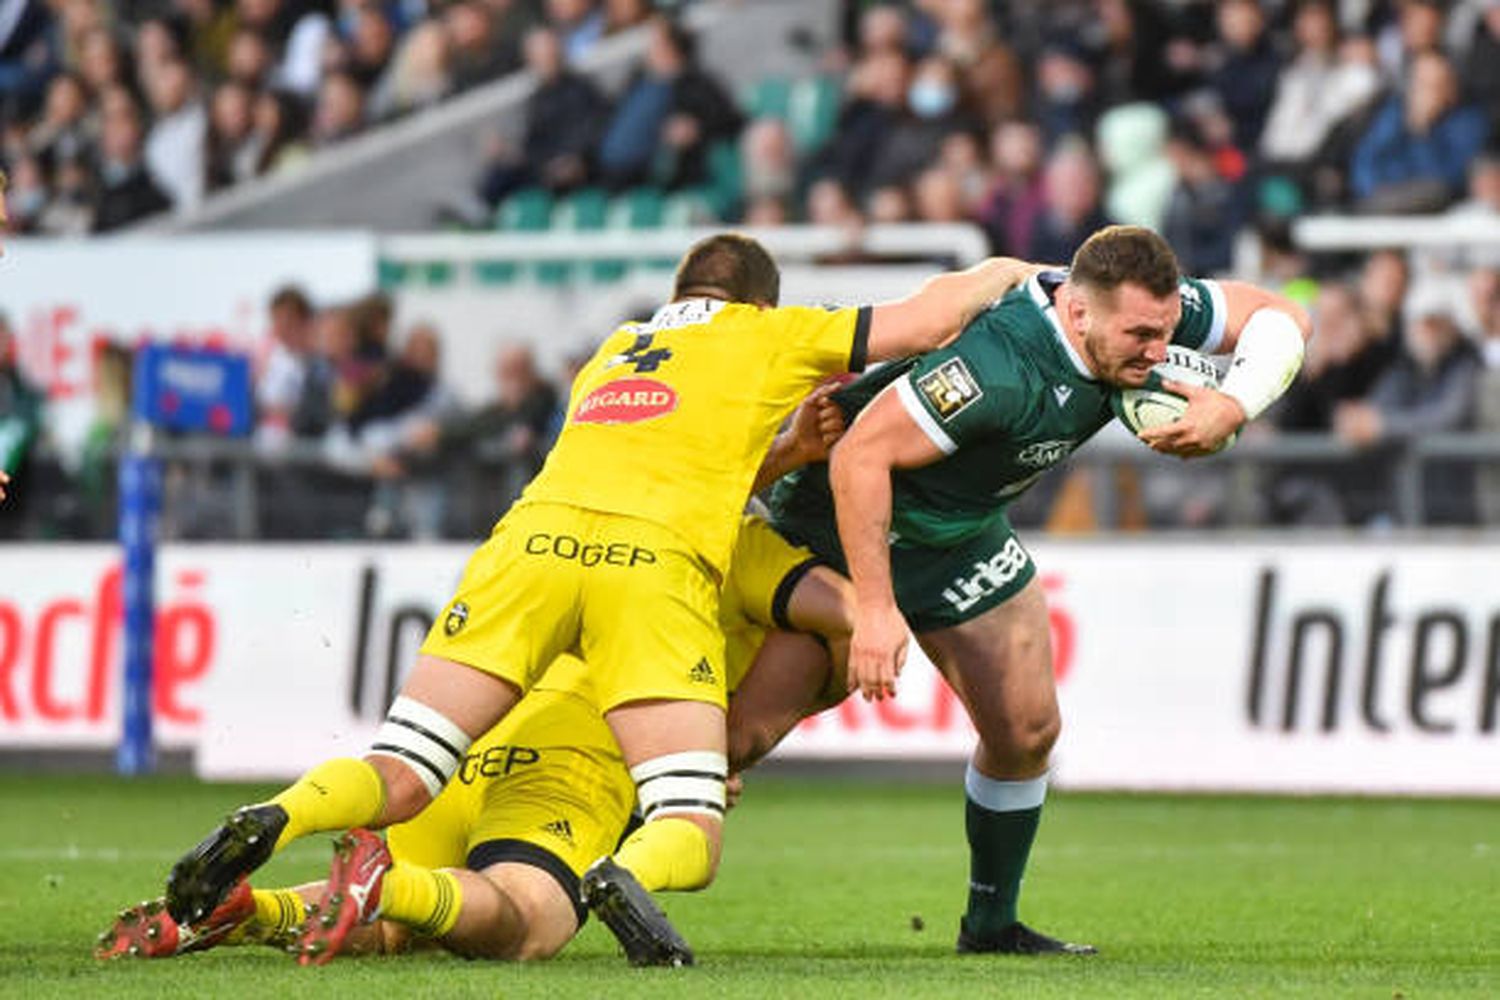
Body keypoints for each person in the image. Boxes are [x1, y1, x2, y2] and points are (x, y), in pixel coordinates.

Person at [160, 233, 1040, 967]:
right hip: (646, 570)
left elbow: (679, 454)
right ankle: (629, 873)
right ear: (761, 307)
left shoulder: (613, 351)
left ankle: (284, 814)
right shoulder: (771, 337)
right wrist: (1021, 275)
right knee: (688, 822)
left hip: (526, 544)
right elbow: (933, 315)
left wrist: (781, 452)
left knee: (401, 769)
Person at [762, 225, 1310, 955]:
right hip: (839, 529)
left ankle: (990, 927)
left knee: (1026, 734)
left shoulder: (1135, 305)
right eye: (1141, 335)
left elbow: (1283, 317)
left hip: (961, 535)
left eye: (1167, 332)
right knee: (742, 735)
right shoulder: (995, 366)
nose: (1157, 351)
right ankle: (590, 864)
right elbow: (862, 456)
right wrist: (874, 608)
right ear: (1079, 315)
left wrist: (1232, 404)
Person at [101, 508, 853, 965]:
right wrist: (874, 622)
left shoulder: (593, 518)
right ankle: (380, 880)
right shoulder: (751, 551)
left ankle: (238, 911)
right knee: (527, 923)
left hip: (474, 744)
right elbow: (823, 640)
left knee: (405, 930)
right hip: (574, 762)